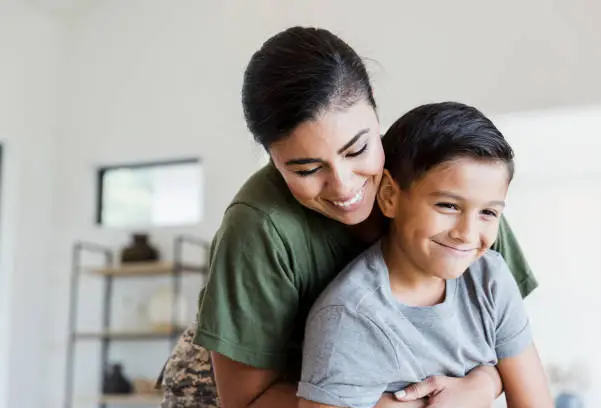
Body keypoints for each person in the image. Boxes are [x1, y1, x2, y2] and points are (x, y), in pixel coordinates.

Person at [159, 26, 538, 408]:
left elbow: (503, 335)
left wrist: (483, 384)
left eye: (357, 149)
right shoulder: (259, 226)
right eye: (307, 169)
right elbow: (246, 399)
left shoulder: (447, 192)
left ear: (375, 114)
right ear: (272, 160)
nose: (343, 186)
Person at [297, 102, 553, 408]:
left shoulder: (490, 280)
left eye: (488, 212)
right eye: (448, 206)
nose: (467, 233)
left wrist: (485, 381)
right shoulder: (350, 317)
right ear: (390, 196)